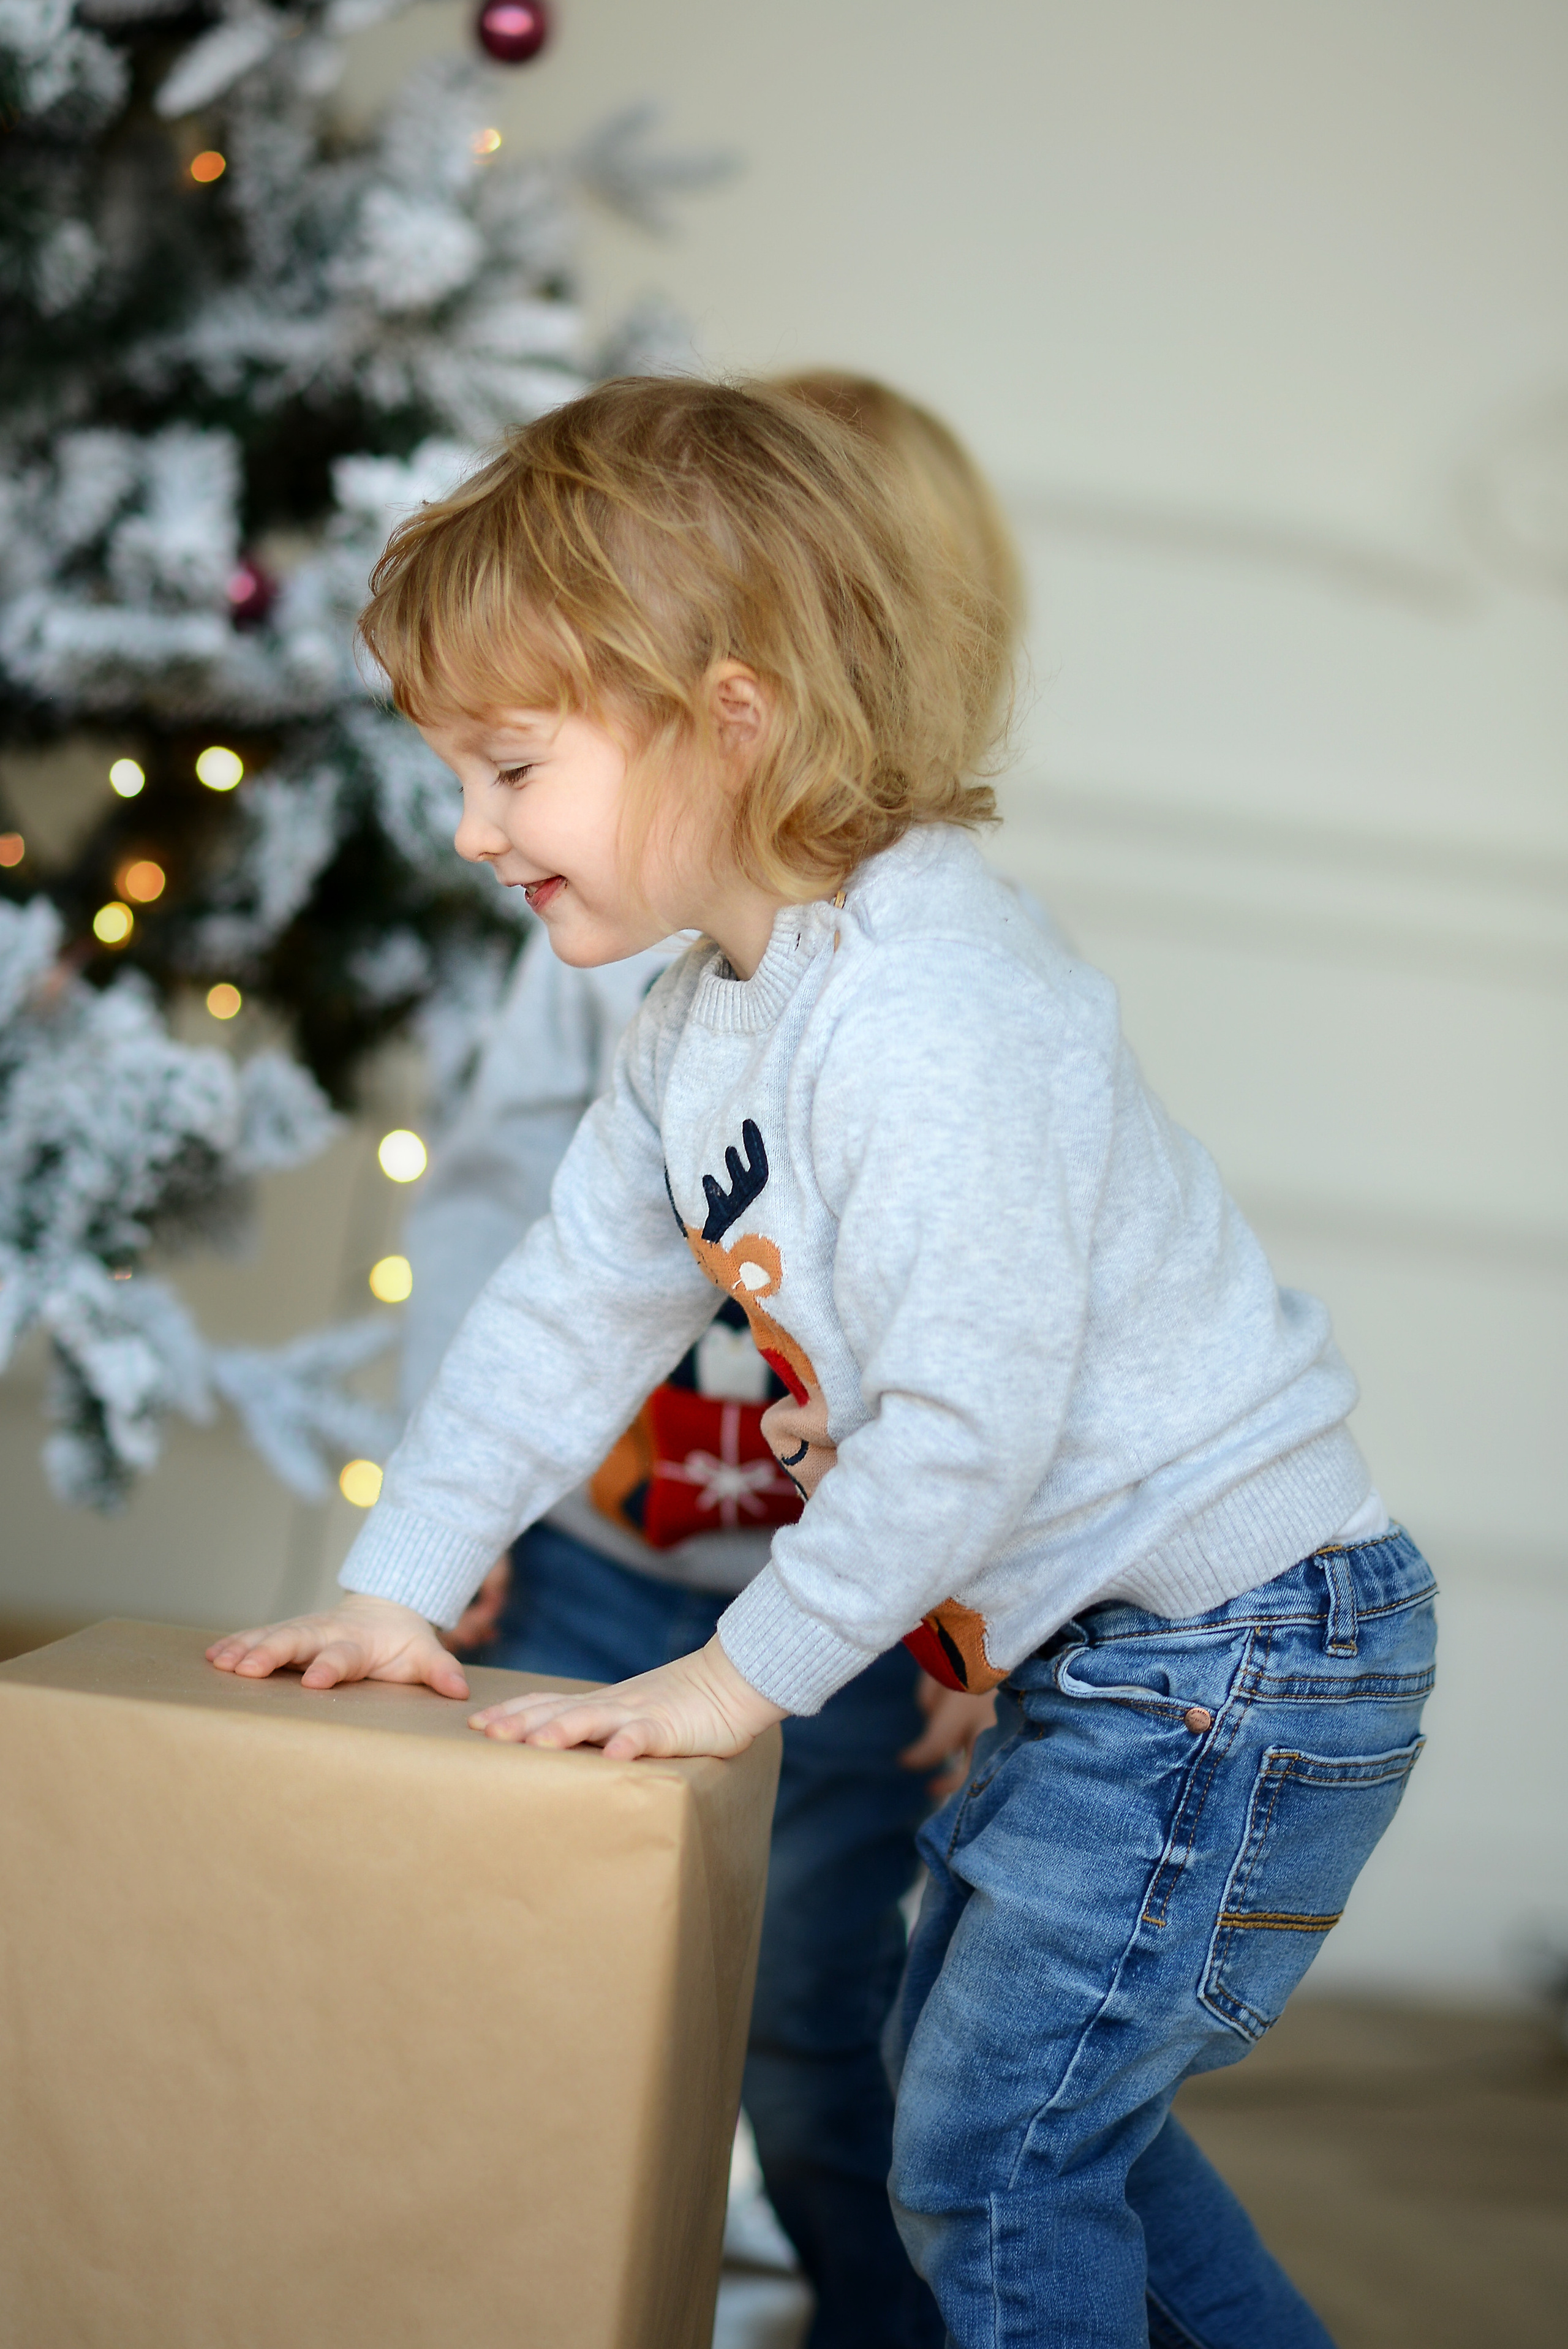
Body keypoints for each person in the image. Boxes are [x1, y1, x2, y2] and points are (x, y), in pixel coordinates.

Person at [210, 377, 1436, 2349]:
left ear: (731, 715)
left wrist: (730, 1678)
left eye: (511, 766)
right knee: (1042, 2126)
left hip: (1242, 1645)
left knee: (981, 2150)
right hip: (1137, 1657)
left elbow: (970, 1426)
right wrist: (397, 1584)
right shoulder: (705, 1023)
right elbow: (560, 1312)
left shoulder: (933, 1007)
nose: (469, 827)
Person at [395, 374, 1027, 2349]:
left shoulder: (945, 980)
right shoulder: (598, 919)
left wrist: (975, 1626)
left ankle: (881, 2320)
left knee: (805, 2034)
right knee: (492, 1974)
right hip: (597, 1557)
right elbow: (524, 1236)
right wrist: (446, 1521)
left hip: (823, 1614)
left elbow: (1002, 1356)